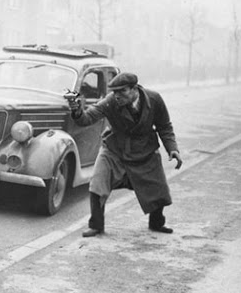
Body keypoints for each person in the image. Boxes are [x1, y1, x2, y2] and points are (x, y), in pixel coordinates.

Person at [67, 72, 183, 237]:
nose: (117, 95)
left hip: (145, 150)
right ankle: (96, 225)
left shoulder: (154, 99)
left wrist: (172, 148)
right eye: (115, 91)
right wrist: (77, 110)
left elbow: (164, 126)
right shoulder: (110, 101)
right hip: (115, 149)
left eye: (122, 91)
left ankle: (157, 223)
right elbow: (87, 118)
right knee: (98, 182)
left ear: (135, 89)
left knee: (157, 187)